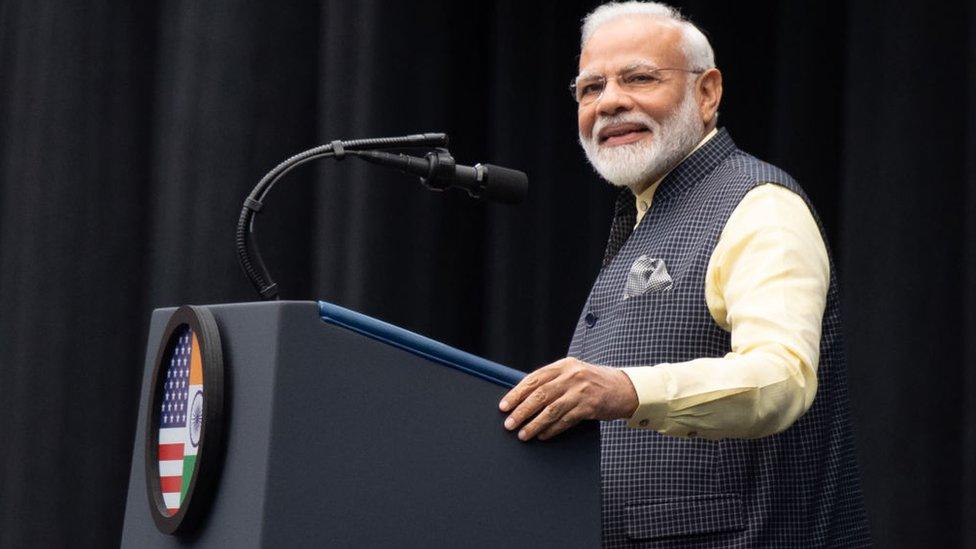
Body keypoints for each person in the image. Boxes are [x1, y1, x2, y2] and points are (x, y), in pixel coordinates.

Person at [498, 2, 871, 546]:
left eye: (639, 78)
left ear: (707, 93)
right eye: (590, 88)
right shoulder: (647, 215)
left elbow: (782, 377)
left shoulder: (759, 204)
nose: (610, 103)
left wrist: (627, 389)